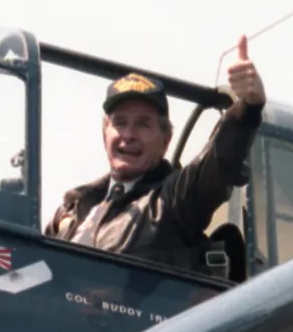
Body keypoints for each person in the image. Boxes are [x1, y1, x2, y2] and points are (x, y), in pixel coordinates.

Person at [44, 36, 265, 274]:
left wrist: (247, 109)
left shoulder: (172, 203)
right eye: (120, 123)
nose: (128, 134)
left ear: (165, 140)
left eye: (143, 124)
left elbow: (216, 165)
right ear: (104, 134)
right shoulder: (72, 208)